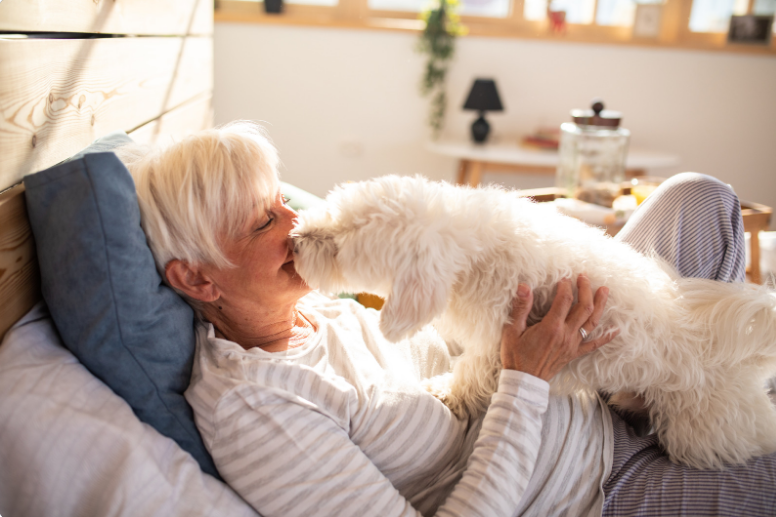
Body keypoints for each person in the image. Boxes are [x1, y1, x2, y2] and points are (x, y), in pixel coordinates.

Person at [124, 121, 776, 517]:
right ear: (197, 277)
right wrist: (528, 376)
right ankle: (712, 407)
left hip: (590, 380)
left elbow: (444, 351)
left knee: (700, 199)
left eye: (280, 202)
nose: (296, 223)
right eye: (264, 221)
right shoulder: (255, 408)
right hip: (594, 483)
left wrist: (521, 268)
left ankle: (701, 389)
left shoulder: (312, 310)